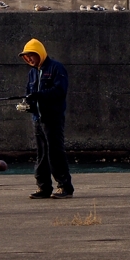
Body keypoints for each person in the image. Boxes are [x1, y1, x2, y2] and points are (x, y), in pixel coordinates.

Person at [20, 38, 74, 199]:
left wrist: (39, 95)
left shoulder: (56, 68)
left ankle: (65, 187)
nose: (29, 59)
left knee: (55, 152)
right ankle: (43, 187)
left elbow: (59, 91)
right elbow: (29, 91)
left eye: (31, 55)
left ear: (40, 54)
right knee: (41, 154)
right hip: (37, 118)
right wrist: (28, 102)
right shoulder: (32, 72)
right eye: (26, 56)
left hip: (53, 118)